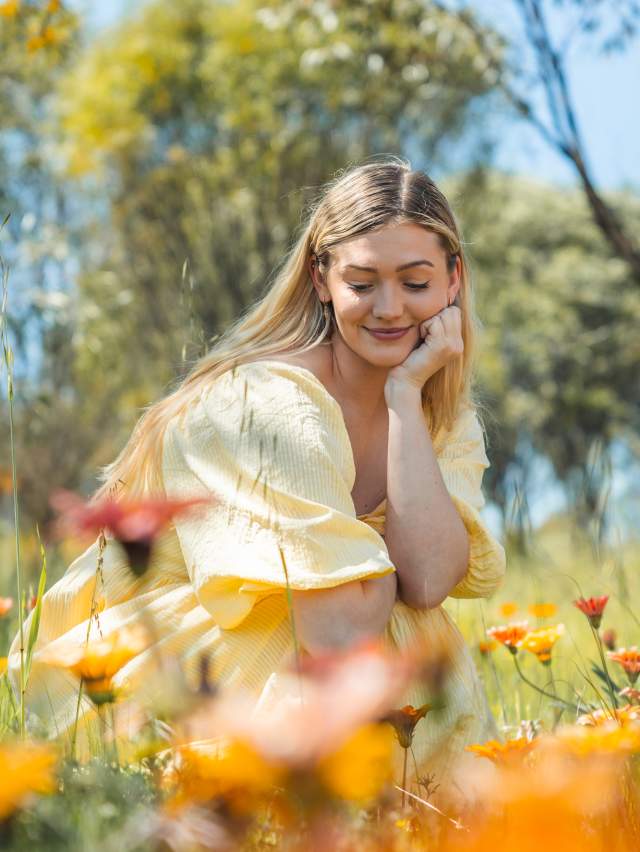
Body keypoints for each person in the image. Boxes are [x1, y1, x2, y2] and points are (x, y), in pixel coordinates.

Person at [9, 157, 505, 800]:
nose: (390, 308)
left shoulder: (439, 412)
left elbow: (431, 579)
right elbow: (336, 631)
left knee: (413, 628)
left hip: (341, 681)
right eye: (363, 282)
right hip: (192, 671)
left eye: (415, 282)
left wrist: (405, 400)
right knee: (302, 619)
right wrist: (381, 574)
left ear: (453, 280)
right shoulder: (267, 406)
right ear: (322, 279)